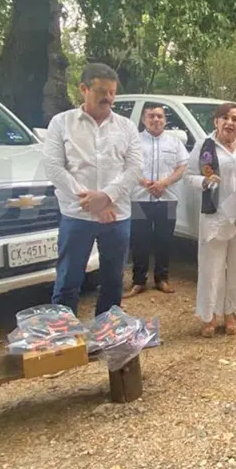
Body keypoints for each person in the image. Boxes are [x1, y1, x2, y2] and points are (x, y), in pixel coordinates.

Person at [42, 63, 143, 316]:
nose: (107, 97)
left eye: (112, 92)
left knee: (113, 280)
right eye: (101, 91)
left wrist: (106, 197)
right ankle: (64, 334)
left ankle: (106, 331)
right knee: (68, 280)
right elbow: (54, 167)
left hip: (116, 216)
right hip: (77, 215)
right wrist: (92, 202)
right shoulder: (62, 123)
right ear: (83, 89)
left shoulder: (126, 127)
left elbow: (134, 168)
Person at [186, 103, 236, 337]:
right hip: (216, 215)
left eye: (235, 119)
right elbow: (189, 176)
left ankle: (232, 313)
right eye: (225, 118)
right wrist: (205, 182)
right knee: (212, 267)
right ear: (216, 121)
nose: (230, 123)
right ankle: (210, 316)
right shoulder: (205, 146)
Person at [126, 102, 188, 297]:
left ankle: (162, 279)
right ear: (144, 120)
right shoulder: (134, 142)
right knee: (139, 241)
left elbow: (182, 167)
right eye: (151, 116)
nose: (156, 119)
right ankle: (138, 281)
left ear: (165, 120)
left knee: (165, 239)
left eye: (159, 116)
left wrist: (164, 183)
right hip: (139, 198)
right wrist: (145, 183)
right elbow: (127, 165)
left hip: (167, 199)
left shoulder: (174, 143)